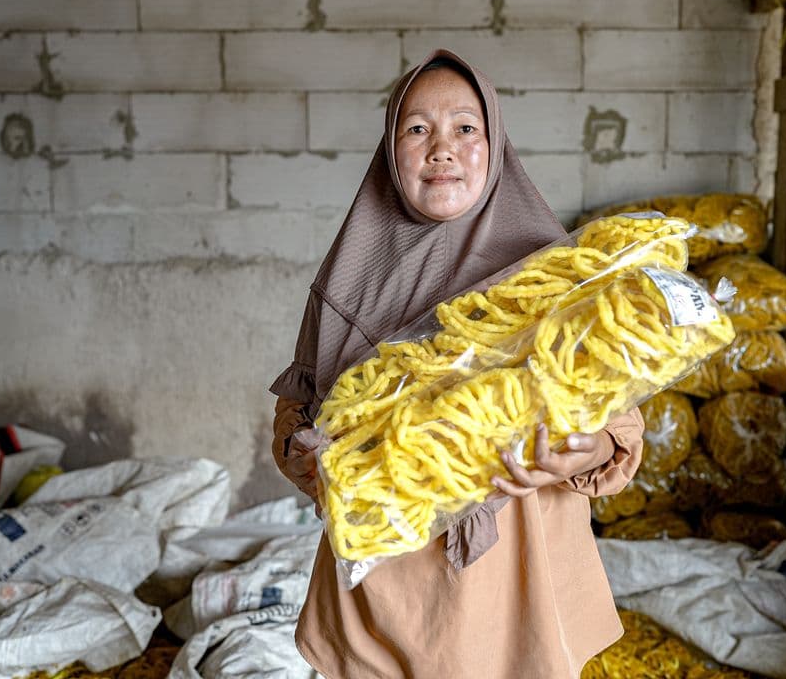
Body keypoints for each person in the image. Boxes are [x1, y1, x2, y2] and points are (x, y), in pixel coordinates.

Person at [270, 48, 645, 678]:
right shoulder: (347, 282)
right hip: (391, 586)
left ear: (495, 143)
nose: (441, 149)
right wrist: (308, 461)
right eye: (417, 129)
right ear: (391, 151)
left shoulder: (555, 274)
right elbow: (294, 419)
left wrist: (583, 450)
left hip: (526, 577)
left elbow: (619, 429)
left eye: (465, 128)